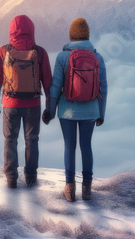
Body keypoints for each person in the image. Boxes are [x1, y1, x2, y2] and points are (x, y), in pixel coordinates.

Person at [46, 17, 107, 202]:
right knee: (86, 146)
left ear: (71, 36)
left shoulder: (62, 57)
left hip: (67, 112)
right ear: (87, 35)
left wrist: (50, 111)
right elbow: (103, 88)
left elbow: (55, 87)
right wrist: (101, 113)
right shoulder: (97, 57)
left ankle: (70, 187)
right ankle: (87, 188)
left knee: (69, 146)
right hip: (90, 110)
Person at [0, 14, 52, 189]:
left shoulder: (3, 51)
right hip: (33, 105)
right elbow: (48, 82)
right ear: (32, 30)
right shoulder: (40, 52)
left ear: (11, 31)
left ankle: (11, 178)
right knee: (32, 140)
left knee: (10, 140)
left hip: (10, 105)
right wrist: (50, 108)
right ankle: (30, 177)